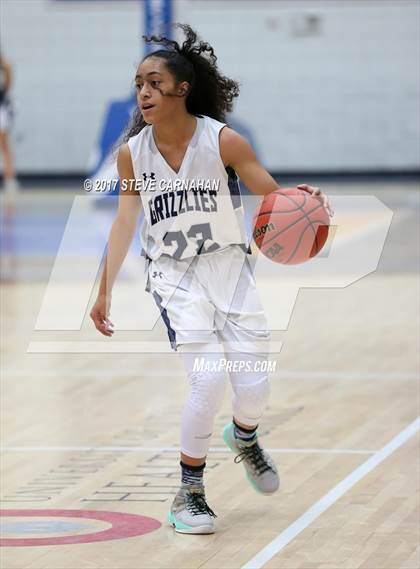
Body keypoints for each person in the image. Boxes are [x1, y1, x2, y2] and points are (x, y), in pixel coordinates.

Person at [90, 23, 333, 534]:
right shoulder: (134, 153)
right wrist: (104, 288)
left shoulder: (221, 140)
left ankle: (244, 437)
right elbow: (124, 222)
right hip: (173, 276)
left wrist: (305, 205)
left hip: (229, 270)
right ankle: (190, 494)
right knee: (207, 378)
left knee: (254, 391)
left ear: (183, 88)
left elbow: (274, 199)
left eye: (154, 82)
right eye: (139, 83)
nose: (144, 92)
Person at [0, 53, 19, 197]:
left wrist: (6, 68)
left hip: (3, 109)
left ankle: (10, 180)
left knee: (4, 144)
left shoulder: (5, 66)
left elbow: (8, 85)